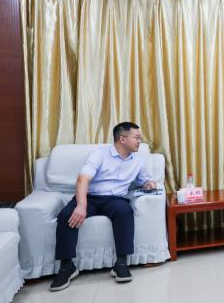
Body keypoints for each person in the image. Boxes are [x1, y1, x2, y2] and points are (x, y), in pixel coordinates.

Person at [50, 122, 158, 291]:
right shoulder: (98, 154)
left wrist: (149, 183)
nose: (139, 141)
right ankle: (67, 266)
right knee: (66, 216)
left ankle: (121, 263)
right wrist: (81, 205)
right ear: (122, 139)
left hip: (115, 200)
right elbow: (83, 179)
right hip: (91, 197)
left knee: (125, 211)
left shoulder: (137, 161)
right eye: (136, 138)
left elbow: (145, 179)